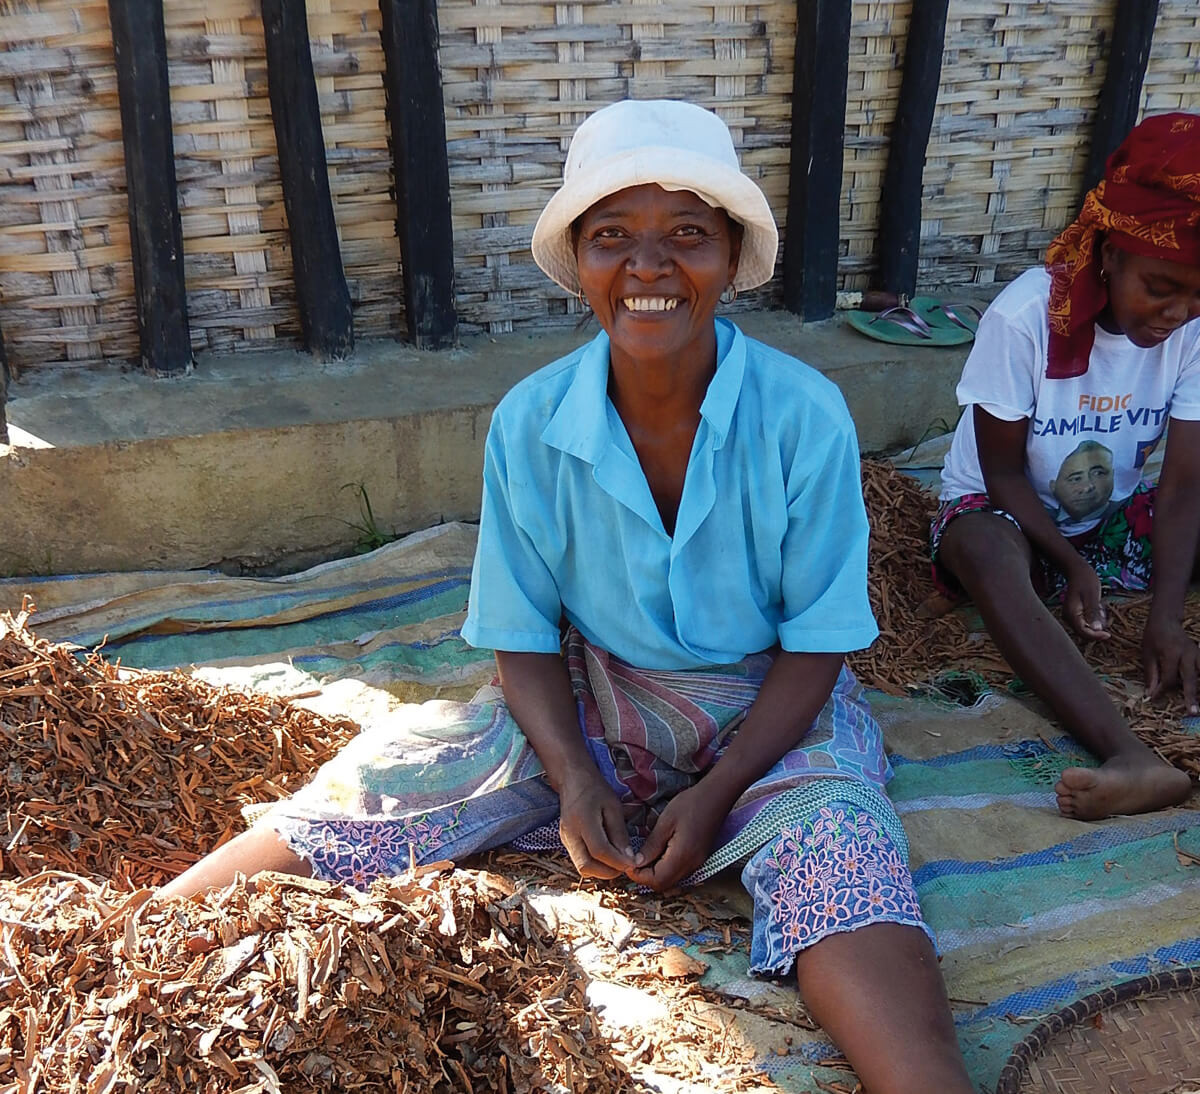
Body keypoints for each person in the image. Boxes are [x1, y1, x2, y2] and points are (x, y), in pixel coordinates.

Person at [161, 99, 972, 1093]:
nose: (648, 267)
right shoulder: (533, 421)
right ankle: (139, 936)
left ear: (729, 257)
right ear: (579, 263)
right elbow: (521, 632)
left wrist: (718, 792)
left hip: (773, 710)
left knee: (844, 839)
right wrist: (576, 778)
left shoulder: (804, 414)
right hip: (597, 695)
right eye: (611, 238)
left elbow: (819, 644)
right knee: (398, 769)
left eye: (687, 235)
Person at [933, 111, 1200, 821]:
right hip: (1007, 515)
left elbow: (1181, 487)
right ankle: (1127, 755)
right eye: (1162, 286)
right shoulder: (1026, 317)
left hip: (1111, 521)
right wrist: (1071, 565)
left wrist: (1166, 617)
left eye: (1198, 295)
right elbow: (1001, 472)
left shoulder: (1193, 329)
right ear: (1110, 253)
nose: (1178, 312)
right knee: (983, 549)